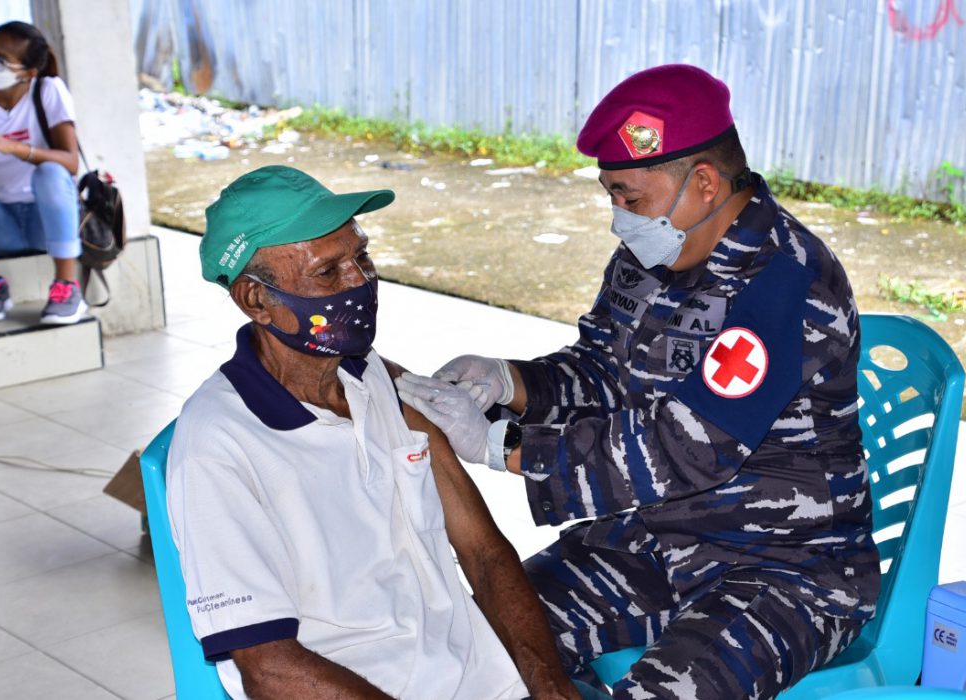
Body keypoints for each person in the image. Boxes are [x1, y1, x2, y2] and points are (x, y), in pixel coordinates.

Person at [395, 64, 881, 699]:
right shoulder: (654, 255)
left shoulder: (786, 281)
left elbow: (691, 446)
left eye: (631, 198)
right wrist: (508, 383)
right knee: (470, 641)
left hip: (779, 568)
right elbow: (600, 367)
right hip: (648, 545)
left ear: (703, 183)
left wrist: (501, 445)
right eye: (611, 197)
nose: (619, 219)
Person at [170, 165, 596, 700]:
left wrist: (549, 685)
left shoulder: (368, 374)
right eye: (328, 273)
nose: (359, 283)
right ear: (257, 301)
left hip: (475, 676)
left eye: (361, 257)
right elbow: (270, 668)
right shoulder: (217, 449)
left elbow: (483, 551)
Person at [0, 21, 85, 324]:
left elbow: (71, 162)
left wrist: (13, 148)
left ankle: (66, 285)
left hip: (45, 221)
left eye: (1, 59)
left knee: (50, 171)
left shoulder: (48, 90)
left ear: (28, 72)